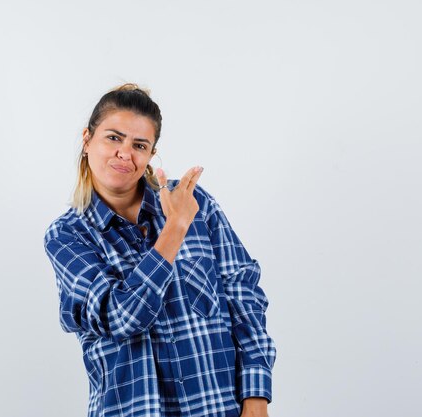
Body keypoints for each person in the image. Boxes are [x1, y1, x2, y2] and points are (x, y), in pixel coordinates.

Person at [43, 83, 276, 417]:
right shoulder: (67, 236)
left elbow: (242, 291)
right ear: (86, 140)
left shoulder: (195, 202)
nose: (125, 153)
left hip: (217, 407)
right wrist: (174, 229)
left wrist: (256, 395)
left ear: (151, 154)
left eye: (140, 144)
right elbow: (122, 317)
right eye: (113, 137)